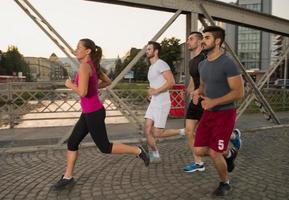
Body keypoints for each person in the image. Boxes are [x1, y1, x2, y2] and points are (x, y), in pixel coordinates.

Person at [53, 39, 149, 190]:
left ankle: (138, 150)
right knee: (72, 143)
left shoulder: (85, 66)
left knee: (105, 147)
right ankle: (68, 177)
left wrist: (70, 85)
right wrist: (94, 86)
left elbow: (83, 92)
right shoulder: (93, 66)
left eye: (78, 48)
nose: (75, 50)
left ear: (88, 51)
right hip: (89, 112)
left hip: (93, 113)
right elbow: (108, 81)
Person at [192, 26, 244, 196]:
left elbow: (239, 92)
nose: (202, 41)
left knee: (215, 152)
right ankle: (230, 153)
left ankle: (225, 183)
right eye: (202, 37)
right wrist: (198, 92)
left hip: (225, 113)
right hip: (209, 113)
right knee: (199, 150)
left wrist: (215, 101)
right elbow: (203, 86)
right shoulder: (202, 64)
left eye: (206, 37)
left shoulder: (228, 63)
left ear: (217, 41)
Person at [183, 32, 242, 173]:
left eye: (191, 39)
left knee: (214, 142)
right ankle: (199, 163)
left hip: (210, 101)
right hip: (197, 100)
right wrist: (190, 92)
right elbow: (194, 79)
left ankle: (231, 139)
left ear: (199, 41)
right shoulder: (193, 62)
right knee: (189, 131)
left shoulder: (209, 57)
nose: (187, 42)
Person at [144, 41, 184, 163]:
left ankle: (183, 131)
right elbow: (155, 84)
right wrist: (151, 93)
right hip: (154, 102)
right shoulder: (151, 67)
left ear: (156, 51)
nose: (147, 51)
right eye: (146, 49)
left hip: (162, 103)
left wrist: (156, 91)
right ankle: (155, 155)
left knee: (157, 133)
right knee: (147, 129)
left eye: (149, 49)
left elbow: (171, 82)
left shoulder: (161, 64)